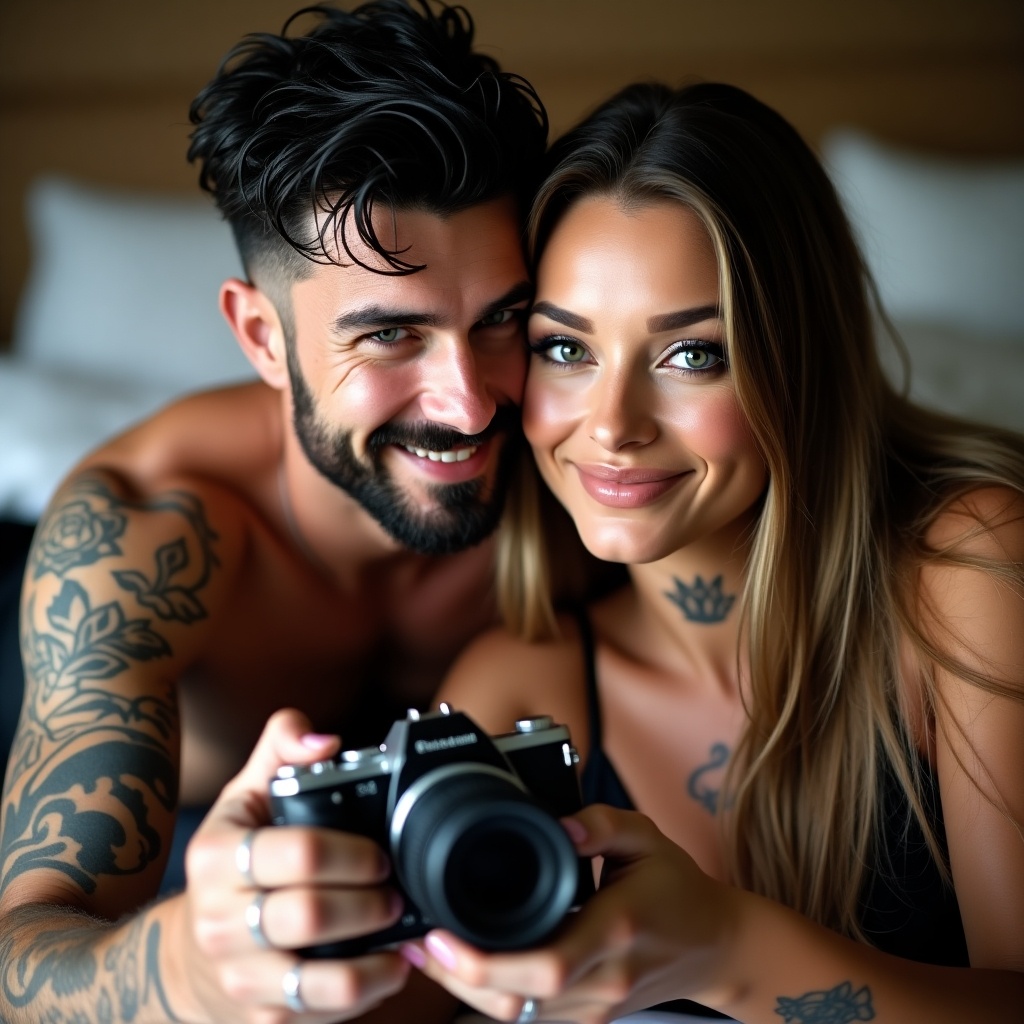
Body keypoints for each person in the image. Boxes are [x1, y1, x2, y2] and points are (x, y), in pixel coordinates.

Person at [406, 82, 1024, 1022]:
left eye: (692, 354)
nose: (611, 427)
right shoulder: (523, 689)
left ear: (796, 360)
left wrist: (726, 952)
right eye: (565, 351)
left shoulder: (970, 568)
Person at [0, 1, 550, 1021]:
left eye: (502, 321)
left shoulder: (579, 460)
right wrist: (191, 967)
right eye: (390, 336)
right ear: (261, 337)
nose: (471, 403)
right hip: (185, 834)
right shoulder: (137, 535)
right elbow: (22, 956)